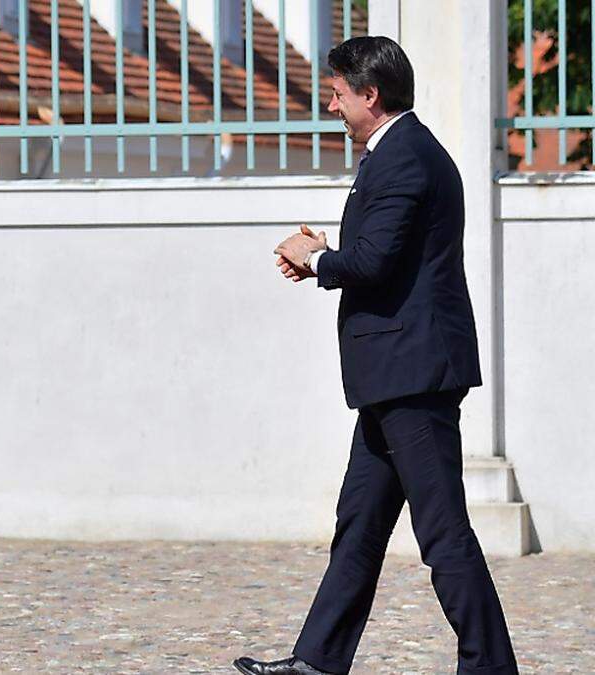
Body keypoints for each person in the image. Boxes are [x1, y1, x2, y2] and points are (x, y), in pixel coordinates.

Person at [232, 37, 518, 675]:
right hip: (394, 376)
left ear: (371, 94)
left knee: (443, 535)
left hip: (411, 376)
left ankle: (490, 666)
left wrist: (314, 258)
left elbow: (370, 263)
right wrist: (326, 254)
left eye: (338, 93)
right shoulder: (397, 155)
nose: (331, 105)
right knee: (358, 526)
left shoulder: (403, 159)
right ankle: (318, 661)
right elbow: (386, 256)